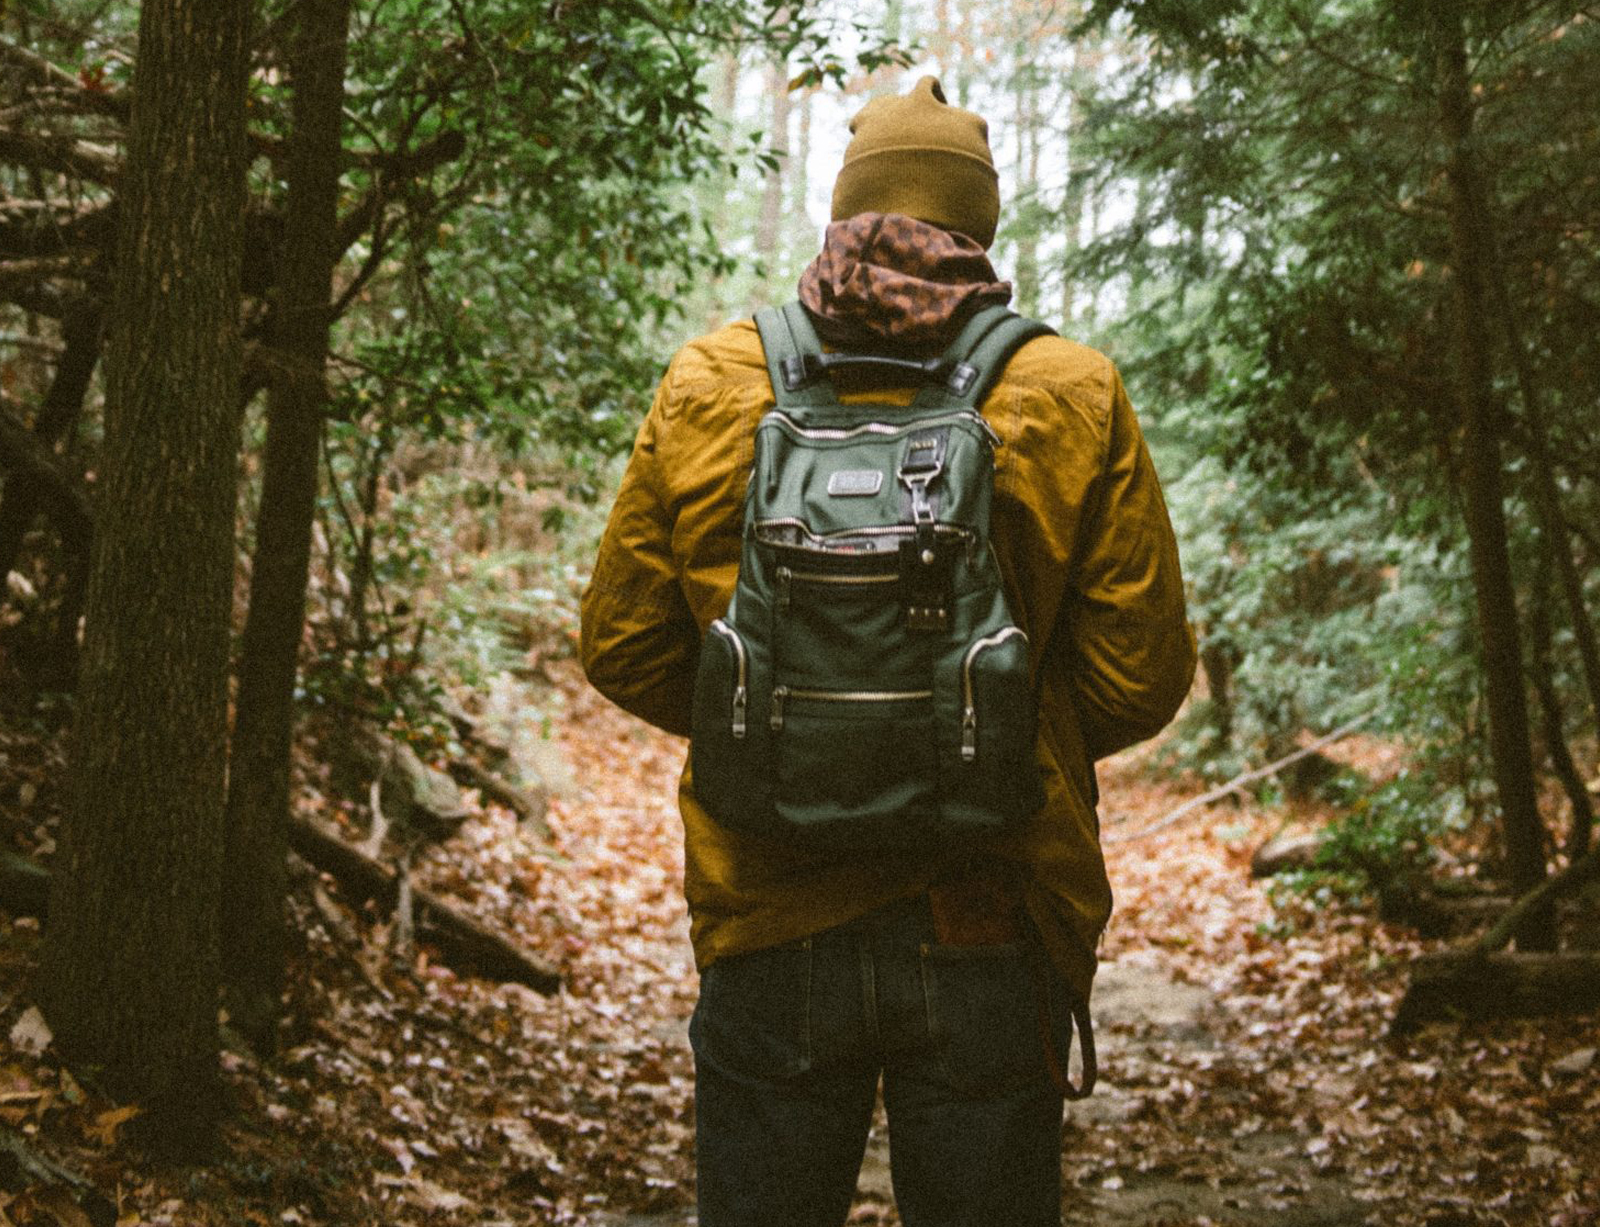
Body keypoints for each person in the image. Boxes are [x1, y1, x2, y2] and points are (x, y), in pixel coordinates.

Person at [580, 75, 1195, 1227]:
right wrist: (984, 730)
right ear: (978, 225)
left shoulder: (714, 381)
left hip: (767, 901)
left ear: (843, 211)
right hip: (989, 904)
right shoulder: (1069, 390)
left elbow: (620, 646)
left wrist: (775, 729)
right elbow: (1140, 674)